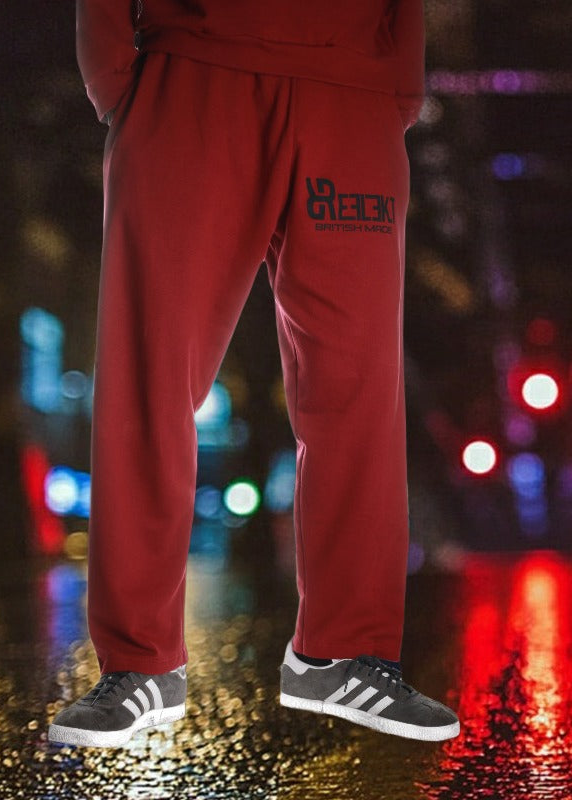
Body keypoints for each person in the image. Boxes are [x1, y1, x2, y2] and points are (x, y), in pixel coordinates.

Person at [48, 0, 460, 747]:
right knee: (150, 378)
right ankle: (140, 667)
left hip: (351, 96)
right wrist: (122, 81)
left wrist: (392, 83)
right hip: (189, 78)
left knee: (358, 391)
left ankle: (341, 656)